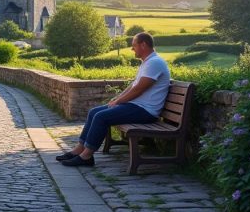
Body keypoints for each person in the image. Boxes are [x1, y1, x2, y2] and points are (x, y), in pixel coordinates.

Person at [59, 32, 171, 167]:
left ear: (143, 45)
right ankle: (78, 150)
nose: (132, 49)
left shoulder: (155, 63)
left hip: (146, 111)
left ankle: (86, 156)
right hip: (136, 106)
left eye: (134, 45)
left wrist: (118, 102)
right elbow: (133, 86)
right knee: (94, 112)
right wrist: (118, 98)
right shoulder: (148, 63)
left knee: (101, 117)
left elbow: (139, 89)